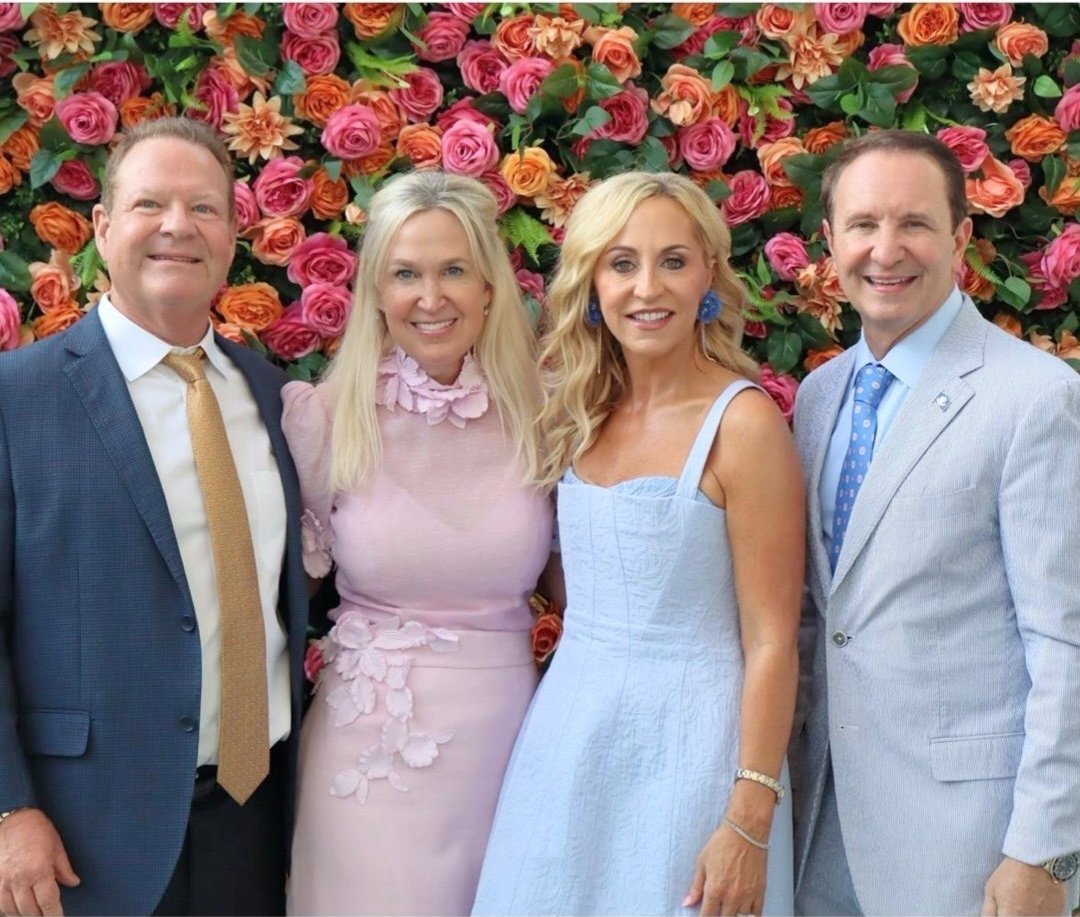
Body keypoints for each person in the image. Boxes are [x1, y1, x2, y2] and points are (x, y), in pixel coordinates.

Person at [472, 171, 803, 917]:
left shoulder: (743, 425)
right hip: (568, 742)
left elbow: (775, 640)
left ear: (708, 275)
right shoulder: (577, 410)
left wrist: (748, 818)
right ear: (591, 281)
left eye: (673, 261)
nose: (646, 287)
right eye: (621, 263)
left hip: (693, 750)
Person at [0, 117, 308, 916]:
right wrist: (8, 808)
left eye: (203, 208)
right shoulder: (15, 401)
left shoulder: (272, 398)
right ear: (102, 228)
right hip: (83, 830)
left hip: (258, 813)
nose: (177, 226)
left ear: (235, 234)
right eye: (150, 204)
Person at [792, 130, 1080, 916]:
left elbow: (1065, 642)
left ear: (959, 236)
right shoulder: (819, 399)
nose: (887, 249)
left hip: (973, 845)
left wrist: (1046, 850)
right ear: (830, 240)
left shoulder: (1034, 397)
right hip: (825, 827)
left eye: (914, 223)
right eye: (863, 224)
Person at [282, 170, 553, 917]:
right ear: (374, 290)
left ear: (490, 286)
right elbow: (279, 600)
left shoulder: (547, 414)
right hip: (367, 762)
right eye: (406, 273)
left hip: (509, 749)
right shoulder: (324, 418)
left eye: (453, 270)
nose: (430, 298)